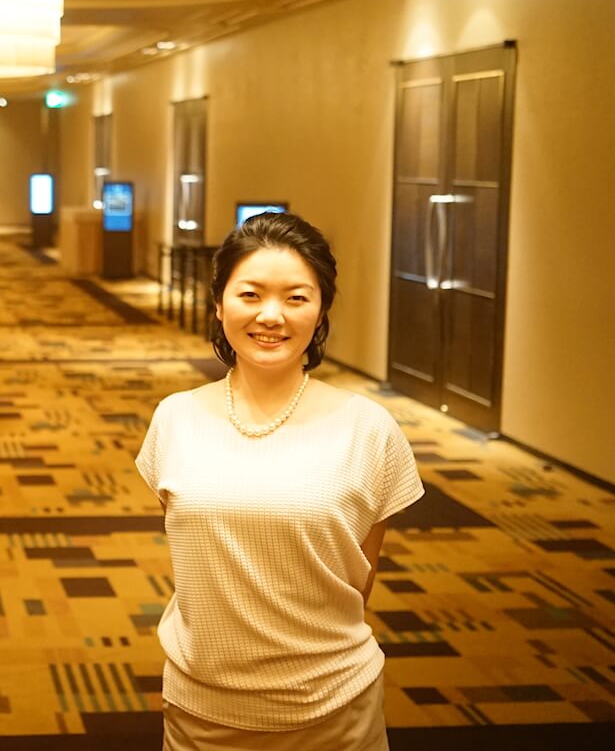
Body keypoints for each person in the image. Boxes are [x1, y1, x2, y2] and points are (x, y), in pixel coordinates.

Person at [136, 212, 423, 750]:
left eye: (296, 298)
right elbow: (196, 556)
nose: (271, 315)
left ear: (321, 310)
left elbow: (359, 579)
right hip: (201, 709)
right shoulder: (175, 418)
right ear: (218, 303)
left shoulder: (368, 429)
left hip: (333, 708)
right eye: (251, 294)